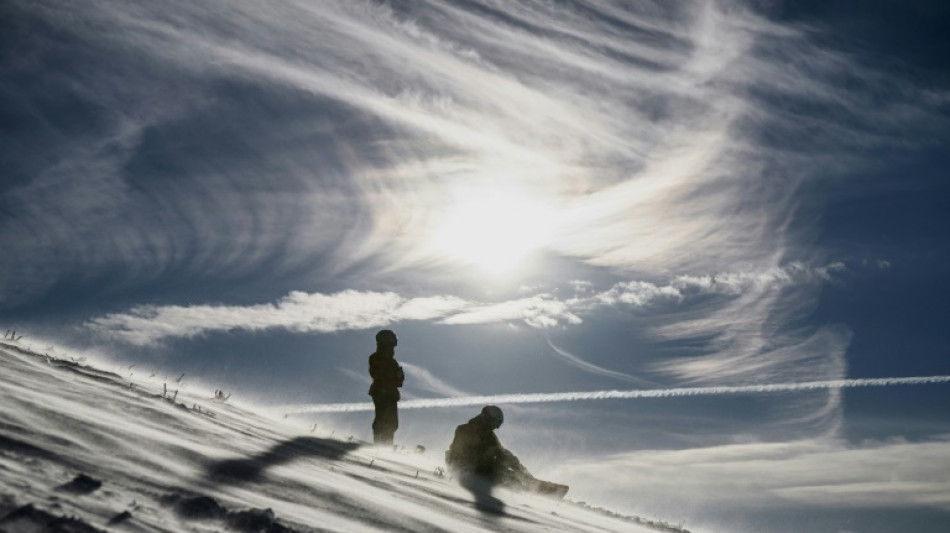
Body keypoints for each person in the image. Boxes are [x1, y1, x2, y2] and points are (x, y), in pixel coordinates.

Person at [445, 405, 568, 497]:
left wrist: (514, 462)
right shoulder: (467, 429)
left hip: (478, 467)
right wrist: (493, 457)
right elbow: (462, 452)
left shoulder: (488, 434)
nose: (495, 427)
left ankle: (531, 482)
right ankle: (527, 487)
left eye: (498, 424)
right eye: (495, 422)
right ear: (487, 418)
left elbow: (500, 451)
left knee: (506, 458)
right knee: (506, 473)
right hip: (466, 468)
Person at [368, 329, 404, 445]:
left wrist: (398, 376)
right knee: (382, 419)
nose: (394, 343)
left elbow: (399, 381)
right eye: (391, 339)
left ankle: (387, 445)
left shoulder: (392, 362)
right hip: (382, 391)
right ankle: (379, 444)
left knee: (392, 423)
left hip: (390, 393)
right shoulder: (376, 357)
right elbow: (377, 374)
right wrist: (394, 376)